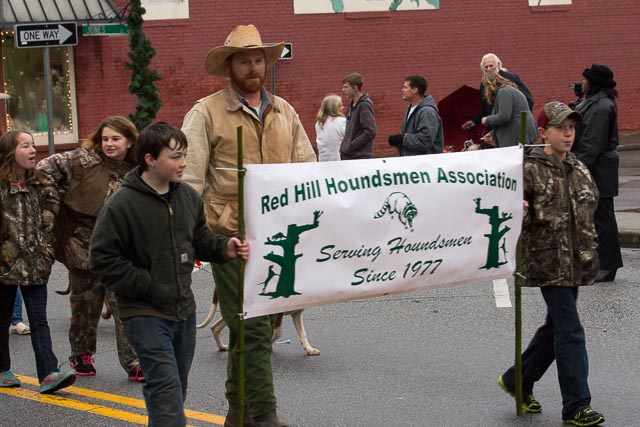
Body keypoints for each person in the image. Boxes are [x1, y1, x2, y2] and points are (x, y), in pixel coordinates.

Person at [181, 24, 316, 427]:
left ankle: (236, 414)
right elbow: (189, 179)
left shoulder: (285, 111)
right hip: (227, 236)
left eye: (258, 59)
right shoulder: (205, 112)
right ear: (229, 67)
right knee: (255, 327)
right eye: (244, 60)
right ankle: (265, 413)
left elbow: (308, 170)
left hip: (277, 236)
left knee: (246, 329)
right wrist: (192, 240)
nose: (253, 66)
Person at [89, 122, 249, 427]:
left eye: (184, 155)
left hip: (183, 311)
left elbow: (198, 238)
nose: (184, 163)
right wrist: (147, 284)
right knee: (165, 389)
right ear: (150, 159)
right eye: (175, 157)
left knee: (176, 390)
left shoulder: (187, 197)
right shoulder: (122, 204)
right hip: (144, 311)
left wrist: (225, 247)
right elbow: (102, 258)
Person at [498, 102, 605, 427]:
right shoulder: (529, 170)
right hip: (547, 263)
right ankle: (576, 406)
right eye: (561, 128)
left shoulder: (578, 167)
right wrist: (520, 208)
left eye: (572, 128)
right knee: (570, 332)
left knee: (555, 329)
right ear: (544, 132)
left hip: (575, 263)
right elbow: (508, 210)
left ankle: (517, 379)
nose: (568, 134)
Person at [35, 116, 143, 381]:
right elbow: (43, 168)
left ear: (129, 141)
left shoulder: (138, 169)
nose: (109, 144)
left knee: (125, 304)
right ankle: (81, 353)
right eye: (105, 138)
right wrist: (52, 205)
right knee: (85, 302)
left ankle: (134, 362)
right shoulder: (82, 160)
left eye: (115, 139)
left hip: (121, 246)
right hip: (83, 242)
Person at [0, 129, 76, 393]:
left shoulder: (42, 184)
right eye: (25, 146)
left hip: (35, 265)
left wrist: (46, 253)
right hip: (4, 267)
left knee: (39, 320)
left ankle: (48, 373)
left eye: (33, 145)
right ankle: (2, 370)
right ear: (11, 151)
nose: (32, 150)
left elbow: (51, 221)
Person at [572, 64, 623, 282]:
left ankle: (608, 265)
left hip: (599, 168)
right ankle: (602, 263)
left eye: (585, 80)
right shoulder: (594, 102)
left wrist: (578, 168)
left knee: (603, 218)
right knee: (598, 216)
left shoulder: (601, 107)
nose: (582, 83)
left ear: (593, 82)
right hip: (598, 166)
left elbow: (592, 142)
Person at [462, 53, 534, 130]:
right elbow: (487, 108)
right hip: (497, 128)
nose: (489, 69)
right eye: (486, 67)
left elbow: (528, 100)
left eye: (491, 66)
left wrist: (520, 120)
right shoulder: (483, 85)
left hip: (514, 126)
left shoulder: (510, 79)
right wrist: (475, 121)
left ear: (498, 65)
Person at [388, 75, 443, 156]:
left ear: (414, 90)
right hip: (412, 164)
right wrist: (397, 142)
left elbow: (425, 141)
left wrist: (403, 139)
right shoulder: (409, 109)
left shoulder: (427, 112)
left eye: (405, 87)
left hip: (424, 165)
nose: (402, 90)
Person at [480, 72, 538, 147]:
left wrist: (487, 119)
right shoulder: (507, 90)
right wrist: (492, 134)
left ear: (489, 85)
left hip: (518, 134)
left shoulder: (504, 92)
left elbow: (504, 116)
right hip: (520, 131)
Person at [340, 72, 377, 160]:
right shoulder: (351, 105)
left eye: (346, 87)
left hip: (359, 156)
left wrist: (352, 145)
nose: (343, 90)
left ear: (355, 88)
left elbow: (370, 131)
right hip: (349, 154)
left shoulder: (364, 105)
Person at [315, 94, 346, 161]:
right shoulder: (342, 122)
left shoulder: (318, 124)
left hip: (323, 162)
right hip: (339, 162)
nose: (343, 107)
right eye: (340, 106)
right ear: (334, 108)